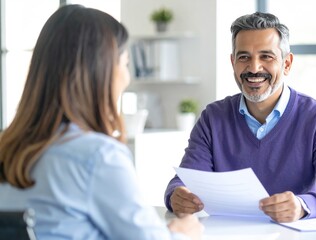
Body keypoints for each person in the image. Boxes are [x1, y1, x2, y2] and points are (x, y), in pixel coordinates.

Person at [0, 5, 203, 240]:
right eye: (125, 64)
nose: (127, 78)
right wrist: (180, 233)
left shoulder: (8, 150)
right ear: (102, 72)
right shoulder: (97, 156)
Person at [165, 12, 316, 223]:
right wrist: (176, 195)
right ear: (233, 63)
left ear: (287, 64)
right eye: (244, 57)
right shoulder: (213, 118)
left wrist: (302, 206)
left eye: (266, 56)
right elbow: (185, 181)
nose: (254, 68)